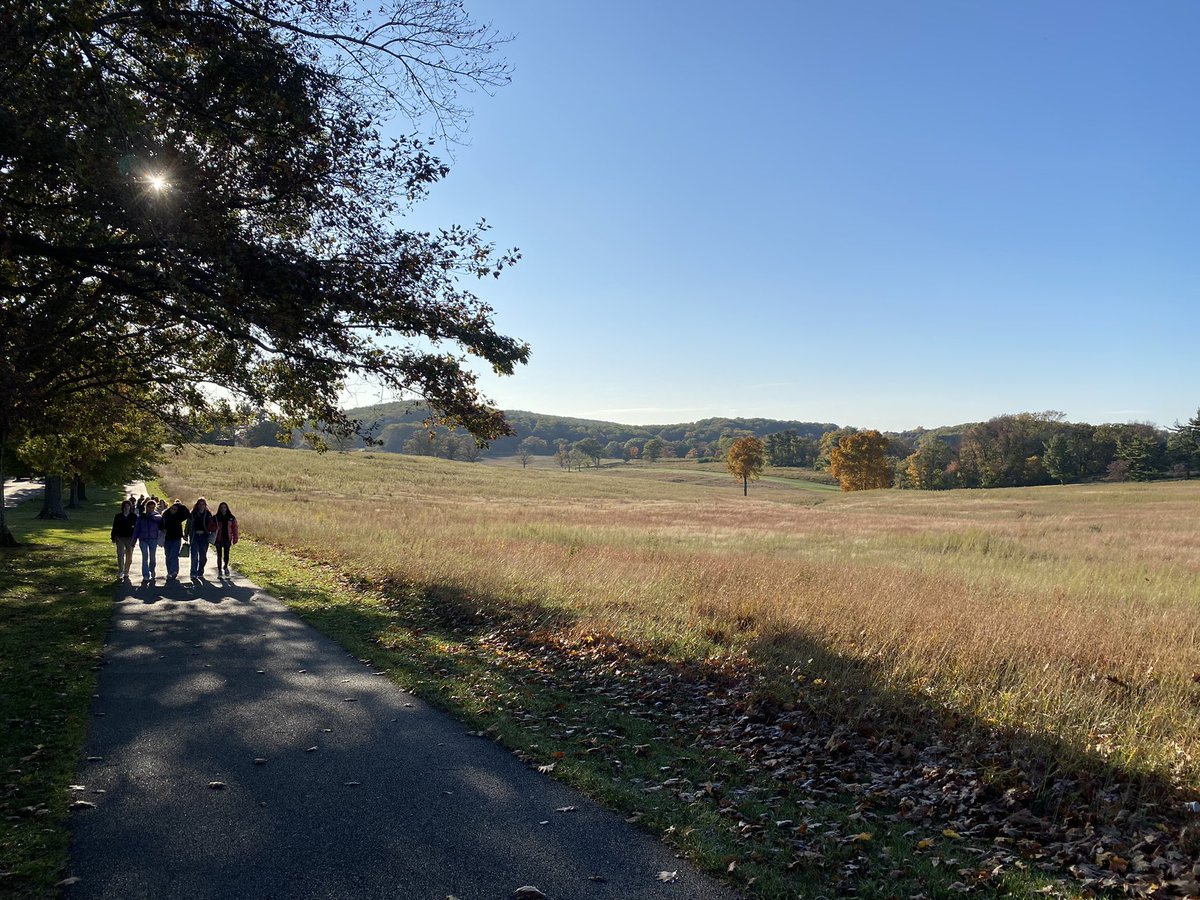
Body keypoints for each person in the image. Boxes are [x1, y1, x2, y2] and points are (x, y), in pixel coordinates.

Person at [184, 497, 217, 580]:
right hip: (194, 536)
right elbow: (188, 524)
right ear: (197, 505)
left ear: (205, 505)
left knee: (203, 556)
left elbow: (212, 525)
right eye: (200, 504)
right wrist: (186, 533)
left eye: (203, 504)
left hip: (204, 537)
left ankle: (200, 571)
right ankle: (193, 573)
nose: (201, 506)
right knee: (194, 556)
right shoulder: (193, 514)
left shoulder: (208, 514)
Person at [131, 501, 163, 583]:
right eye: (149, 507)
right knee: (144, 557)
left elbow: (161, 522)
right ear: (146, 507)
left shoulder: (157, 516)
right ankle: (145, 575)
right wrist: (133, 541)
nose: (150, 509)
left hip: (153, 539)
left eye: (152, 507)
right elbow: (136, 530)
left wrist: (152, 517)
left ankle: (152, 569)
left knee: (152, 558)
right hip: (143, 539)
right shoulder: (141, 517)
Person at [160, 499, 189, 581]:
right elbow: (160, 525)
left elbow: (187, 514)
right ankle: (169, 571)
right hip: (167, 538)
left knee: (174, 555)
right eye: (172, 509)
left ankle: (174, 571)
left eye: (176, 510)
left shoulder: (179, 517)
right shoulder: (165, 515)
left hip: (176, 538)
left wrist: (180, 505)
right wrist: (162, 529)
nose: (174, 511)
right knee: (168, 556)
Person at [109, 500, 138, 581]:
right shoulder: (118, 516)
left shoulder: (133, 516)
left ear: (130, 507)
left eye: (128, 506)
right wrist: (113, 537)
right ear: (123, 507)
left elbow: (136, 528)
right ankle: (121, 570)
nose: (126, 508)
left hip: (130, 538)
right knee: (120, 554)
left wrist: (135, 538)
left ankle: (126, 571)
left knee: (129, 555)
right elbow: (114, 527)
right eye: (125, 506)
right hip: (120, 537)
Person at [212, 502, 239, 576]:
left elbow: (235, 528)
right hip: (218, 538)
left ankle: (226, 567)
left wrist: (235, 538)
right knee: (219, 555)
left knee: (226, 555)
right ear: (219, 509)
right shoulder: (216, 517)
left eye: (224, 507)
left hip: (227, 538)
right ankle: (219, 570)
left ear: (227, 508)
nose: (223, 509)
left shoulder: (231, 517)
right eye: (221, 508)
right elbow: (210, 526)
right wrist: (215, 528)